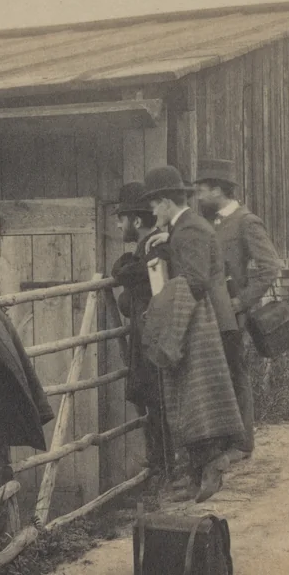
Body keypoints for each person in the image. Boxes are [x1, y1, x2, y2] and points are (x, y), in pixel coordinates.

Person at [142, 165, 244, 503]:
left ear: (168, 202)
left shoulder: (189, 231)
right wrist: (169, 241)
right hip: (196, 316)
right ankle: (200, 472)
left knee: (198, 397)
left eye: (154, 205)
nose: (152, 212)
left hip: (198, 321)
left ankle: (211, 466)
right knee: (191, 396)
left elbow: (196, 278)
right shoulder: (184, 230)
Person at [193, 158, 282, 461]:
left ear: (218, 190)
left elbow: (270, 267)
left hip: (233, 313)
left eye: (202, 190)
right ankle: (224, 439)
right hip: (212, 312)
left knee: (235, 373)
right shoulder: (211, 222)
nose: (199, 197)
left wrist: (241, 301)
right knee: (219, 375)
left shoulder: (246, 221)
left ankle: (243, 443)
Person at [110, 182, 174, 493]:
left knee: (160, 402)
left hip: (155, 339)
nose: (118, 225)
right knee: (151, 401)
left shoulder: (157, 246)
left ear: (136, 221)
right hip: (145, 338)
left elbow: (136, 279)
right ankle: (160, 467)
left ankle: (166, 471)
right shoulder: (143, 248)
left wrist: (124, 269)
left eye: (121, 219)